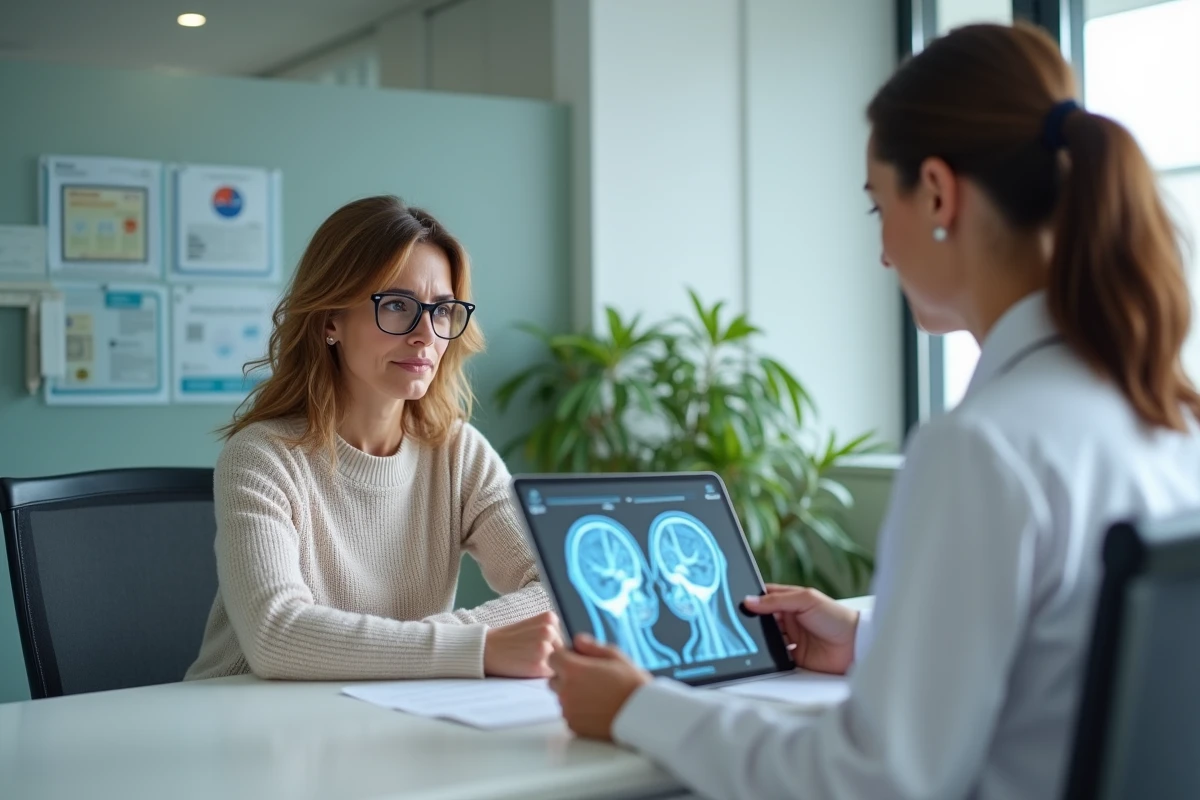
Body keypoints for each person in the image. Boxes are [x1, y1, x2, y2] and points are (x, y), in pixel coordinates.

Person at [548, 22, 1200, 799]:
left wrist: (638, 708)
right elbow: (1063, 672)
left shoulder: (983, 449)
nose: (884, 251)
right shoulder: (1166, 420)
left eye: (877, 207)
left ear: (938, 193)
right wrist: (867, 639)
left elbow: (871, 780)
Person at [187, 195, 558, 683]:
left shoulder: (458, 453)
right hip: (244, 711)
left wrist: (433, 646)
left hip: (389, 708)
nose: (427, 335)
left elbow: (557, 589)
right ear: (330, 320)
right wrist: (476, 646)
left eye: (442, 310)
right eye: (398, 306)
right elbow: (276, 635)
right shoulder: (262, 457)